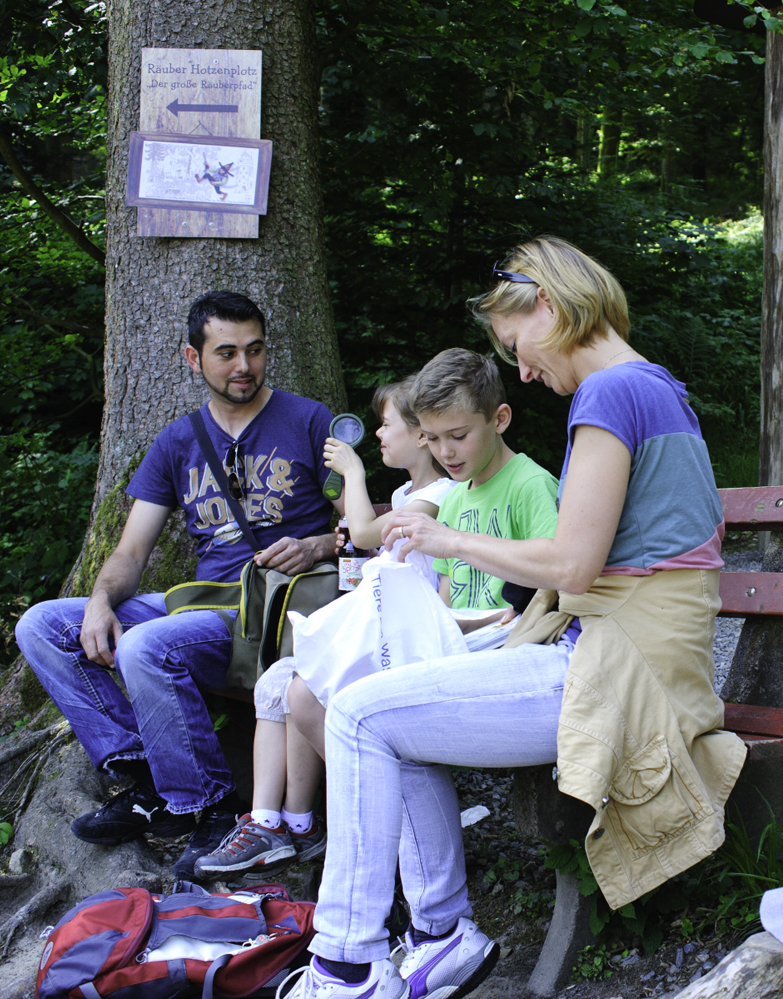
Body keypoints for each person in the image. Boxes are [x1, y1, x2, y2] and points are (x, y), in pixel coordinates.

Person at [281, 237, 746, 999]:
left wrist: (444, 537)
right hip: (622, 653)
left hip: (623, 670)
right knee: (385, 714)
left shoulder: (612, 393)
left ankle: (351, 963)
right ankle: (438, 936)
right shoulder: (654, 387)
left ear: (552, 308)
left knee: (361, 714)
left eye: (517, 346)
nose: (524, 370)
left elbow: (572, 565)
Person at [15, 291, 342, 878]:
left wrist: (319, 544)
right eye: (226, 353)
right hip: (204, 607)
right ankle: (144, 779)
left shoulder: (307, 420)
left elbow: (362, 525)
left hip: (274, 613)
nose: (243, 366)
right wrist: (97, 602)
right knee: (43, 625)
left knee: (149, 644)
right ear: (194, 359)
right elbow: (131, 550)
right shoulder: (178, 441)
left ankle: (209, 806)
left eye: (255, 350)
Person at [193, 377, 457, 877]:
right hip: (381, 628)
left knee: (304, 686)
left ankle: (371, 805)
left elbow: (364, 530)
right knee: (278, 681)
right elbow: (367, 547)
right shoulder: (404, 492)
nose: (378, 434)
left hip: (408, 639)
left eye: (386, 424)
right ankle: (280, 822)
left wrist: (353, 476)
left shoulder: (440, 493)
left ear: (422, 436)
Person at [286, 348, 560, 759]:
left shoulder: (529, 484)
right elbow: (445, 607)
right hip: (458, 647)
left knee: (357, 711)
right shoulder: (451, 502)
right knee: (310, 691)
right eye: (433, 439)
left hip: (508, 652)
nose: (445, 452)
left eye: (458, 436)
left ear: (499, 419)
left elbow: (554, 574)